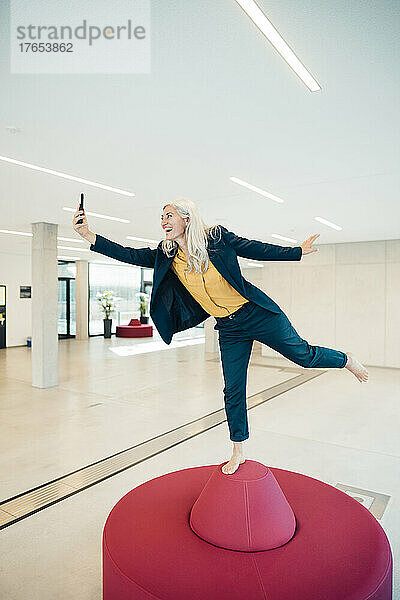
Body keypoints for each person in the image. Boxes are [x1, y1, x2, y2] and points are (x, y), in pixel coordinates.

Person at [73, 198, 369, 475]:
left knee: (303, 356)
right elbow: (129, 254)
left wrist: (296, 252)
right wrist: (88, 234)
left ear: (187, 219)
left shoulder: (216, 238)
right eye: (161, 217)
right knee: (233, 389)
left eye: (169, 215)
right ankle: (238, 449)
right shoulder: (167, 255)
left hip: (257, 312)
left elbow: (254, 248)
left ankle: (346, 360)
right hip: (229, 328)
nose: (163, 220)